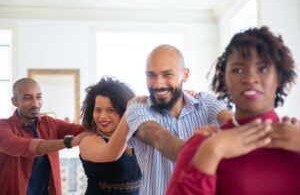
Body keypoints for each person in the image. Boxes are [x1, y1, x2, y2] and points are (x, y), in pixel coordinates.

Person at [167, 26, 300, 195]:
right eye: (237, 70)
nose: (250, 79)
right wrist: (212, 152)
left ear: (279, 76)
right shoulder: (204, 144)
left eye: (263, 68)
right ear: (224, 78)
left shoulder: (297, 139)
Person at [125, 44, 232, 194]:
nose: (158, 84)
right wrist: (210, 150)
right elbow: (159, 138)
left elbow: (236, 123)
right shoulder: (137, 108)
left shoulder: (205, 103)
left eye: (167, 75)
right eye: (151, 75)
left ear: (185, 75)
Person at [0, 78, 86, 195]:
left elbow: (83, 130)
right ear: (15, 101)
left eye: (38, 97)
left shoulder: (49, 123)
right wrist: (68, 142)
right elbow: (24, 146)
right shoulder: (3, 126)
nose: (35, 104)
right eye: (28, 98)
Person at [79, 76, 142, 195]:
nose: (102, 116)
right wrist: (132, 111)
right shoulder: (88, 141)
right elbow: (111, 153)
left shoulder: (137, 139)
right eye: (97, 110)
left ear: (122, 110)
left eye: (110, 110)